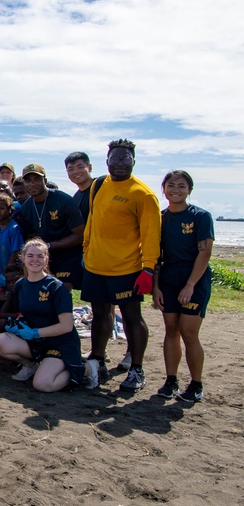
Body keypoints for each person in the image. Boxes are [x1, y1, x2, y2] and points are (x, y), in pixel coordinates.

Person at [82, 139, 161, 392]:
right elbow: (92, 221)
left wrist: (148, 269)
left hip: (127, 268)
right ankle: (97, 358)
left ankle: (136, 369)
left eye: (125, 159)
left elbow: (151, 235)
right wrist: (86, 249)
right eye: (115, 159)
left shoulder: (143, 194)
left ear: (134, 161)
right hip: (96, 266)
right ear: (107, 161)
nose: (119, 164)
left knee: (131, 317)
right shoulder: (98, 185)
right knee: (99, 314)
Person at [0, 239, 98, 391]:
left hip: (59, 343)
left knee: (43, 384)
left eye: (40, 256)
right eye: (30, 256)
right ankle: (30, 366)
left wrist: (35, 332)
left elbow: (66, 326)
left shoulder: (56, 287)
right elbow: (24, 313)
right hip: (36, 341)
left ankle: (85, 368)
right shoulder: (21, 284)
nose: (35, 260)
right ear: (23, 258)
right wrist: (18, 324)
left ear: (47, 259)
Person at [152, 170, 213, 403]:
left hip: (194, 279)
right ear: (164, 188)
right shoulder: (160, 218)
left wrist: (190, 285)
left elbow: (204, 253)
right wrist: (156, 287)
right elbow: (156, 256)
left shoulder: (201, 216)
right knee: (171, 330)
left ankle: (196, 384)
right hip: (168, 277)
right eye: (170, 185)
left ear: (189, 190)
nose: (175, 189)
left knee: (189, 332)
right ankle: (171, 380)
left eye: (181, 186)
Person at [14, 163, 85, 290]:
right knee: (44, 294)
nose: (32, 183)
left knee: (62, 290)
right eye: (28, 180)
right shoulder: (26, 208)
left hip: (68, 255)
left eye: (37, 179)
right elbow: (30, 237)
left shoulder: (63, 200)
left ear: (45, 181)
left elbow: (80, 236)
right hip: (44, 257)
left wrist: (50, 245)